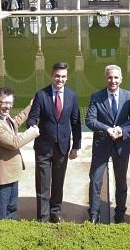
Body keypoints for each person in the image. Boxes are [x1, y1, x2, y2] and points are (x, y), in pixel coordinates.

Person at [27, 61, 82, 223]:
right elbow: (31, 118)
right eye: (57, 76)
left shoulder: (72, 96)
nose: (60, 79)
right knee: (43, 184)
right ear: (51, 76)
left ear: (67, 77)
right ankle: (43, 216)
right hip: (43, 147)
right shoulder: (41, 95)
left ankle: (55, 212)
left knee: (58, 183)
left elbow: (76, 123)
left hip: (63, 147)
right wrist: (33, 127)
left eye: (63, 76)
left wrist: (76, 146)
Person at [85, 65, 130, 224]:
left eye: (116, 77)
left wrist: (122, 130)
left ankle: (120, 213)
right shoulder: (96, 96)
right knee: (95, 180)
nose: (112, 80)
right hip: (102, 144)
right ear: (105, 78)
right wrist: (107, 129)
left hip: (121, 145)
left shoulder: (129, 97)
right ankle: (94, 214)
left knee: (121, 181)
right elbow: (90, 120)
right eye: (109, 77)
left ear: (121, 79)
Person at [0, 87, 40, 221]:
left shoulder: (3, 117)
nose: (7, 106)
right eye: (4, 103)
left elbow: (16, 122)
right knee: (0, 214)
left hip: (12, 173)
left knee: (11, 210)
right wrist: (34, 131)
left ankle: (9, 234)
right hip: (2, 176)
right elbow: (14, 143)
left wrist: (31, 106)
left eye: (10, 103)